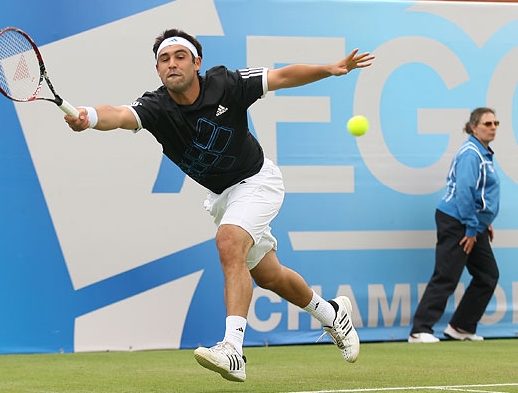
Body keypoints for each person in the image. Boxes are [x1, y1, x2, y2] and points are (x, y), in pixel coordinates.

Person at [65, 29, 374, 381]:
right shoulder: (156, 107)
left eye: (180, 56)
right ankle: (331, 314)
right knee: (269, 276)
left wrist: (329, 68)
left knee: (228, 241)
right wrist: (88, 116)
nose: (172, 64)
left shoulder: (226, 84)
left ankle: (233, 349)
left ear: (197, 62)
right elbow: (118, 114)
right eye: (164, 59)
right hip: (223, 197)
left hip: (257, 181)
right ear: (158, 69)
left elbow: (282, 76)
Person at [408, 107, 501, 343]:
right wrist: (471, 227)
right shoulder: (471, 153)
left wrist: (484, 221)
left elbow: (480, 193)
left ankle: (461, 327)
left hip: (473, 223)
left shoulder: (483, 152)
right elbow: (464, 192)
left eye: (495, 123)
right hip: (457, 222)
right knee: (447, 275)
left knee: (487, 275)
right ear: (473, 128)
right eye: (487, 123)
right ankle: (419, 330)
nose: (493, 127)